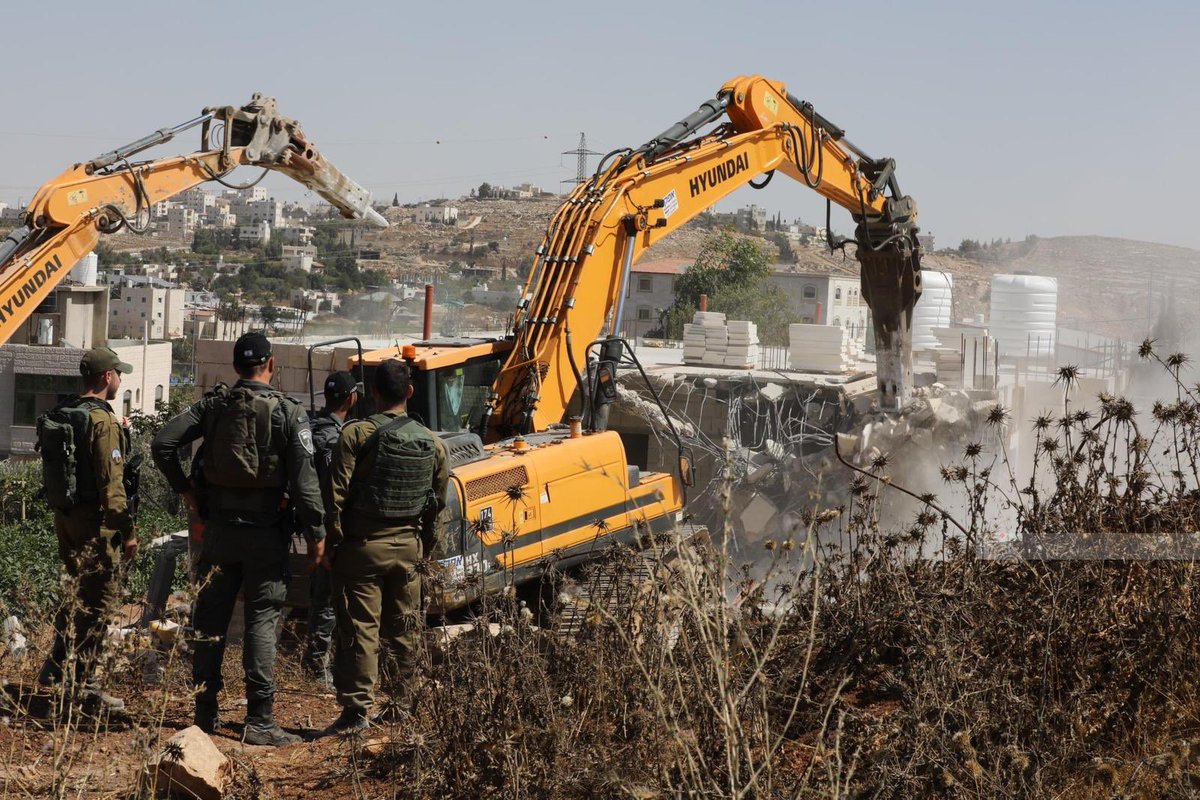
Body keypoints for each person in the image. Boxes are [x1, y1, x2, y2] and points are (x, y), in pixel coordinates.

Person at [151, 332, 325, 747]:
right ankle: (260, 720)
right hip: (266, 534)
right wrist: (317, 532)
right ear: (271, 365)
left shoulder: (214, 406)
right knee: (262, 621)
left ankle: (204, 713)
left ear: (235, 367)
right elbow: (305, 483)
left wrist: (187, 492)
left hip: (220, 533)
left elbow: (163, 443)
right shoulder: (288, 413)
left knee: (210, 620)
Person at [321, 359, 448, 735]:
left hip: (362, 549)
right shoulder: (434, 443)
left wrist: (332, 544)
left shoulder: (355, 434)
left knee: (361, 629)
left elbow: (335, 498)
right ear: (409, 392)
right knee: (405, 629)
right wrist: (425, 552)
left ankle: (356, 713)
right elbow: (437, 507)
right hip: (409, 549)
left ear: (373, 392)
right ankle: (402, 705)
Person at [36, 346, 139, 713]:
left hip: (65, 517)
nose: (120, 380)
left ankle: (55, 665)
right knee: (97, 600)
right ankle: (87, 689)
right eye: (118, 374)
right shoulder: (103, 421)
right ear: (106, 377)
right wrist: (127, 532)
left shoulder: (64, 410)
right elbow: (113, 487)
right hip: (95, 522)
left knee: (75, 589)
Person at [301, 370, 359, 687]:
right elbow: (333, 489)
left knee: (324, 599)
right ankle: (316, 668)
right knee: (326, 602)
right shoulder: (333, 439)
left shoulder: (312, 430)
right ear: (351, 398)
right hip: (329, 529)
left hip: (315, 526)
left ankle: (320, 665)